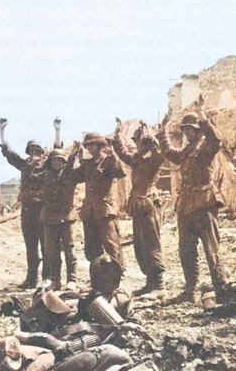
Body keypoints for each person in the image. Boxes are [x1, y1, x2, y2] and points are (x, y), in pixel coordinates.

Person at [157, 97, 228, 303]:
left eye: (190, 129)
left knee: (211, 249)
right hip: (186, 206)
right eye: (185, 129)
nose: (187, 133)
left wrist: (203, 115)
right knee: (186, 251)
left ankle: (221, 289)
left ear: (198, 130)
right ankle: (190, 291)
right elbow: (170, 153)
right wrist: (163, 130)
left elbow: (217, 140)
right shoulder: (188, 150)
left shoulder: (206, 147)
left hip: (204, 204)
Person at [0, 117, 62, 289]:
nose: (34, 152)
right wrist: (2, 131)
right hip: (27, 210)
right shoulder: (24, 165)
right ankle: (31, 279)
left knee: (46, 245)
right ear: (28, 152)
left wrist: (57, 130)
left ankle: (47, 278)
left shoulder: (48, 165)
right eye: (31, 150)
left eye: (37, 150)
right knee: (31, 246)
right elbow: (8, 153)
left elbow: (58, 151)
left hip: (43, 209)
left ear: (43, 153)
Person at [113, 119, 166, 295]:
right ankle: (150, 282)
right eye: (135, 141)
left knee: (152, 245)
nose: (136, 144)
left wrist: (154, 134)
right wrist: (118, 136)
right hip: (138, 206)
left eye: (138, 140)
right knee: (140, 246)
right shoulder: (137, 159)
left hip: (149, 204)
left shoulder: (154, 158)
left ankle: (159, 285)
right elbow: (122, 154)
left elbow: (160, 152)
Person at [75, 132, 126, 290]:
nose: (89, 148)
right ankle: (98, 280)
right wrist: (75, 158)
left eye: (92, 145)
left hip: (105, 210)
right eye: (87, 145)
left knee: (111, 246)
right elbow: (74, 176)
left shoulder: (108, 160)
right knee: (92, 249)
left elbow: (121, 172)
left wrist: (114, 156)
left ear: (99, 146)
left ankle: (116, 280)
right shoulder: (87, 163)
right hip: (89, 212)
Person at [37, 144, 82, 291]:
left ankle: (72, 280)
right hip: (50, 218)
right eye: (53, 161)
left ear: (64, 162)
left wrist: (73, 155)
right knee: (52, 252)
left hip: (67, 217)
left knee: (69, 250)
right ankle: (55, 280)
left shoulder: (70, 174)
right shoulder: (44, 176)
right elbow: (33, 173)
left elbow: (70, 167)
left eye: (59, 161)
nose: (56, 163)